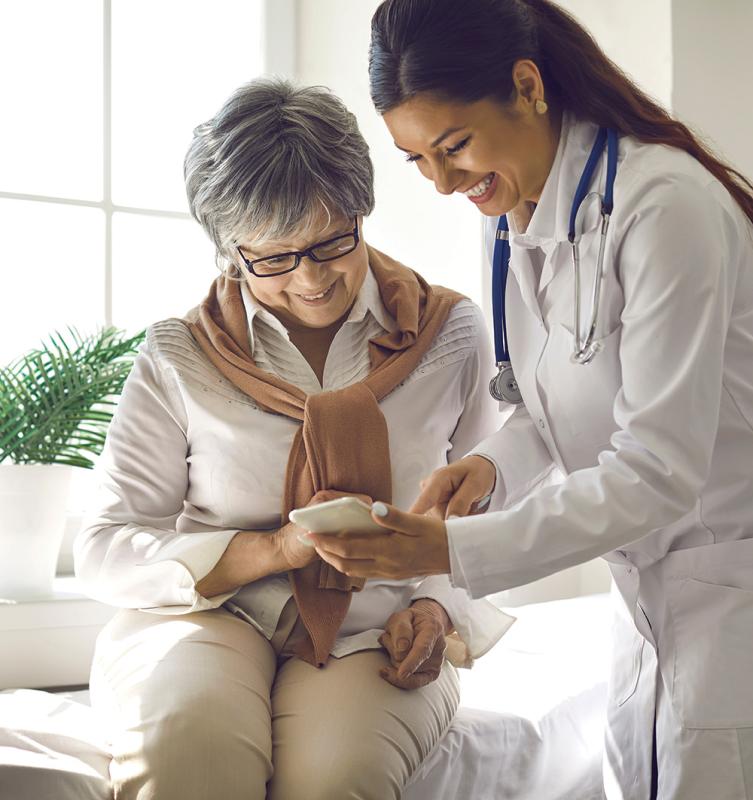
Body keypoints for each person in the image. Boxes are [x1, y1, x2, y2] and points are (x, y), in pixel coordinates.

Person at [306, 2, 753, 798]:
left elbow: (657, 469)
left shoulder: (664, 207)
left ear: (526, 85)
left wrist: (445, 552)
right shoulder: (511, 216)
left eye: (453, 146)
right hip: (648, 588)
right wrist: (488, 466)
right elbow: (554, 401)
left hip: (728, 574)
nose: (442, 182)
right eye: (417, 160)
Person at [74, 78, 512, 800]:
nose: (311, 279)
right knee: (191, 751)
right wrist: (272, 552)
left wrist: (436, 607)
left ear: (361, 212)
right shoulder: (179, 354)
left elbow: (492, 509)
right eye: (273, 258)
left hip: (379, 622)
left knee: (336, 778)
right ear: (229, 251)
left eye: (331, 243)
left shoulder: (450, 334)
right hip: (208, 613)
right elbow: (106, 545)